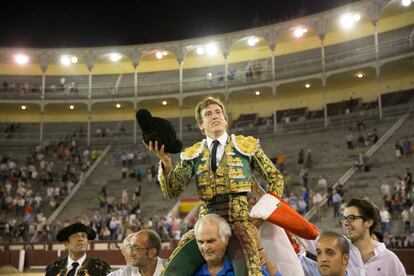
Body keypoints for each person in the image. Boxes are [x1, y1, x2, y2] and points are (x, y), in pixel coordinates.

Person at [145, 97, 284, 275]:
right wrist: (165, 163)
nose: (214, 116)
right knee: (173, 270)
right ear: (201, 125)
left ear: (225, 119)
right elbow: (172, 191)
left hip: (240, 222)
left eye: (218, 112)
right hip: (206, 225)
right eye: (208, 114)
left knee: (251, 271)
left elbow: (275, 178)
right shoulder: (193, 153)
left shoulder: (245, 145)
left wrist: (261, 215)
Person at [193, 213, 281, 276]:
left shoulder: (244, 267)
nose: (205, 247)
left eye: (210, 241)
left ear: (226, 239)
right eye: (200, 242)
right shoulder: (193, 272)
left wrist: (261, 250)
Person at [341, 197, 406, 275]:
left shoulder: (390, 259)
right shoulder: (339, 255)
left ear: (368, 222)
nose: (345, 223)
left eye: (351, 218)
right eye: (343, 218)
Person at [45, 222, 111, 276]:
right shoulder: (54, 268)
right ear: (66, 244)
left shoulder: (100, 268)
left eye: (84, 236)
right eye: (75, 236)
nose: (80, 239)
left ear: (87, 242)